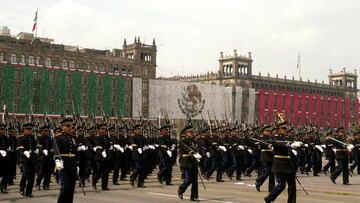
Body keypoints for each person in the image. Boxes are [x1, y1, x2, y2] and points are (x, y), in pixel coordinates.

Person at [264, 121, 296, 203]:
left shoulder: (286, 138)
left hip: (288, 164)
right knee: (281, 185)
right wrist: (288, 145)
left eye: (285, 129)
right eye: (283, 129)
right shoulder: (275, 138)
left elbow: (288, 147)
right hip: (280, 164)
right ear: (278, 130)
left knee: (292, 185)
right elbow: (279, 144)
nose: (285, 130)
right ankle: (269, 198)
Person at [53, 118, 78, 203]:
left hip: (72, 165)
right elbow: (56, 151)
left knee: (71, 187)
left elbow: (75, 152)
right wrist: (57, 162)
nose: (69, 128)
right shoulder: (58, 138)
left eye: (71, 126)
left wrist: (77, 164)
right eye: (67, 126)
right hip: (63, 164)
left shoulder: (73, 138)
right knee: (65, 186)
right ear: (62, 127)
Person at [178, 122, 200, 202]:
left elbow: (197, 149)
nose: (191, 133)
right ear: (186, 133)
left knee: (195, 181)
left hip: (193, 162)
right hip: (186, 162)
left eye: (192, 132)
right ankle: (181, 189)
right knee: (188, 179)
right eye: (190, 132)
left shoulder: (194, 141)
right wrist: (190, 152)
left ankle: (194, 196)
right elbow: (184, 149)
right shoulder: (182, 141)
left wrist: (197, 155)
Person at [18, 123, 37, 197]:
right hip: (25, 159)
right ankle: (22, 188)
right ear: (24, 130)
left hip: (32, 158)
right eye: (28, 129)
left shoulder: (32, 138)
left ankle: (29, 191)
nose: (30, 131)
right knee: (26, 173)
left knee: (32, 175)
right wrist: (25, 151)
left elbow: (34, 146)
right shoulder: (21, 138)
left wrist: (36, 150)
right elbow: (20, 147)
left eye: (30, 129)